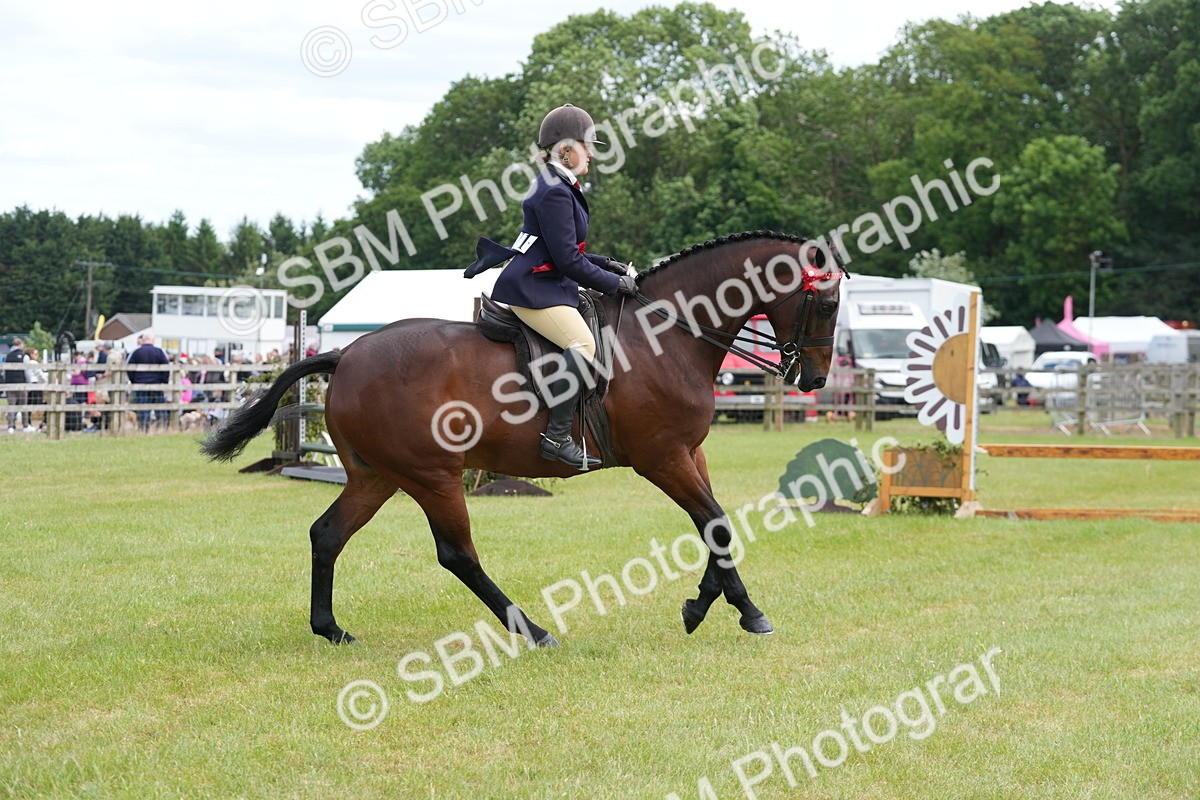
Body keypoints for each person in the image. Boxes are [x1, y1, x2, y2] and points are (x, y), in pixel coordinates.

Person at [464, 103, 638, 470]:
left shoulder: (557, 185)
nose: (591, 154)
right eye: (587, 146)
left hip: (544, 281)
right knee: (584, 344)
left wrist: (607, 264)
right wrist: (614, 284)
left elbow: (564, 250)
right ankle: (557, 437)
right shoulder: (554, 191)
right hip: (533, 289)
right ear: (566, 150)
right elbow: (568, 261)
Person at [127, 332, 169, 432]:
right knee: (159, 407)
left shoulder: (136, 352)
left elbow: (129, 368)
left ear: (143, 340)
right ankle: (162, 427)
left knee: (143, 408)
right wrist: (163, 380)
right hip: (156, 384)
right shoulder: (159, 352)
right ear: (153, 340)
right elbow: (166, 367)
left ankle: (144, 429)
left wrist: (134, 380)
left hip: (141, 384)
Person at [4, 338, 29, 432]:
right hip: (21, 383)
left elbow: (4, 371)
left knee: (11, 406)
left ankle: (11, 426)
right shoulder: (24, 356)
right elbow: (27, 371)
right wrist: (29, 383)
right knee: (24, 405)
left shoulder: (7, 356)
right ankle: (25, 425)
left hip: (10, 384)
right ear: (20, 344)